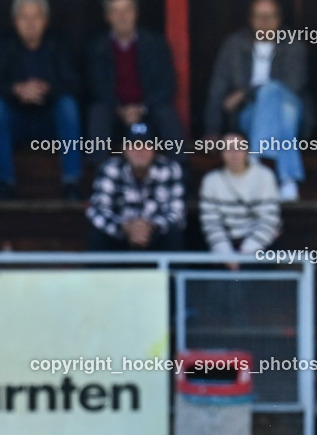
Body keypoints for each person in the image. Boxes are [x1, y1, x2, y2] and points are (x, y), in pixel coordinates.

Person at [205, 0, 308, 201]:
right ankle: (288, 180)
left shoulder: (294, 44)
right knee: (283, 118)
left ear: (279, 19)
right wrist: (212, 130)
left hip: (290, 104)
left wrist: (245, 92)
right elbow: (217, 88)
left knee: (274, 93)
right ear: (250, 19)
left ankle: (256, 163)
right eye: (259, 16)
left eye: (270, 16)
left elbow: (294, 83)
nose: (264, 21)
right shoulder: (234, 44)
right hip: (249, 113)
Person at [85, 0, 185, 163]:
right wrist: (120, 109)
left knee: (167, 114)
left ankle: (182, 172)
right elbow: (95, 86)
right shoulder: (97, 47)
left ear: (136, 14)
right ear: (107, 16)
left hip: (148, 108)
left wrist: (142, 108)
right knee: (98, 113)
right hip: (114, 110)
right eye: (116, 11)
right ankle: (99, 177)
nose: (122, 16)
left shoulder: (155, 44)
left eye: (127, 11)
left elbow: (167, 85)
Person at [0, 0, 82, 200]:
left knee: (68, 106)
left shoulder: (59, 44)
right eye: (24, 18)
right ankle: (6, 184)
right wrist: (16, 89)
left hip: (49, 121)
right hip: (17, 120)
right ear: (15, 21)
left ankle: (71, 182)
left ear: (45, 21)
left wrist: (47, 89)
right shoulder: (4, 45)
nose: (30, 23)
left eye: (35, 17)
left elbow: (76, 85)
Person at [86, 128, 185, 251]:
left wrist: (150, 226)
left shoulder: (169, 170)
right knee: (98, 235)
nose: (140, 151)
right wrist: (124, 227)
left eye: (146, 146)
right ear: (124, 150)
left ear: (155, 150)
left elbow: (176, 212)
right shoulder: (110, 169)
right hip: (119, 237)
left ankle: (172, 271)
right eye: (134, 146)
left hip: (155, 235)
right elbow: (97, 210)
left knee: (173, 234)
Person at [199, 131, 280, 267]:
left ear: (247, 151)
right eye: (228, 149)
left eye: (239, 148)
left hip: (258, 243)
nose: (234, 154)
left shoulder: (264, 176)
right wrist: (227, 254)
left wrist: (246, 254)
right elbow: (211, 223)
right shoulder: (211, 181)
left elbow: (269, 220)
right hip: (224, 243)